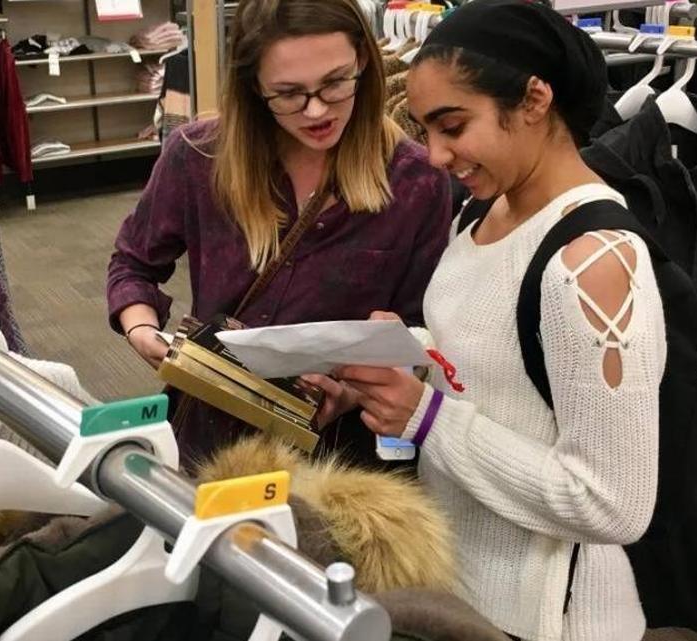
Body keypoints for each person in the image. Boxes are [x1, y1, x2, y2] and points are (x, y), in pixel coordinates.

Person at [306, 1, 664, 639]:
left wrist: (426, 416)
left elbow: (613, 503)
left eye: (453, 125)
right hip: (463, 586)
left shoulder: (594, 261)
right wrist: (398, 352)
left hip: (552, 615)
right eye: (425, 130)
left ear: (533, 99)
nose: (437, 155)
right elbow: (497, 363)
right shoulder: (482, 213)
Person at [106, 0, 450, 468]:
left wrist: (352, 389)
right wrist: (143, 330)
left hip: (337, 467)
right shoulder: (198, 157)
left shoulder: (416, 181)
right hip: (209, 439)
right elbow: (134, 261)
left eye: (335, 83)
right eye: (288, 93)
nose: (316, 111)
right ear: (253, 86)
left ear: (365, 61)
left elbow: (420, 330)